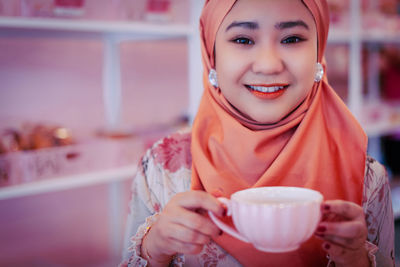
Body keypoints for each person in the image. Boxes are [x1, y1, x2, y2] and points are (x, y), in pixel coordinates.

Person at [120, 0, 395, 266]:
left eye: (292, 39)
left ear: (318, 51)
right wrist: (154, 248)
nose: (268, 65)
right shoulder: (162, 168)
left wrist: (356, 259)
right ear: (211, 53)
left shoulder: (364, 178)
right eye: (243, 40)